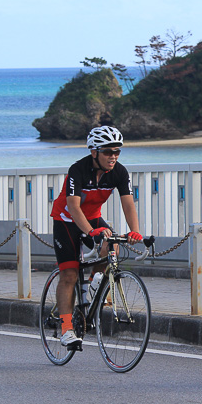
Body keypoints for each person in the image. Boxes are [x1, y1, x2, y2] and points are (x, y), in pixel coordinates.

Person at [50, 126, 143, 348]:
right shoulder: (77, 170)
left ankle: (93, 285)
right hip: (67, 220)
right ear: (94, 152)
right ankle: (65, 329)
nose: (113, 156)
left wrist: (134, 230)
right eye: (108, 152)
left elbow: (128, 203)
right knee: (69, 274)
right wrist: (91, 231)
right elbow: (73, 206)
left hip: (92, 218)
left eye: (117, 152)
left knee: (112, 244)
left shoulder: (120, 172)